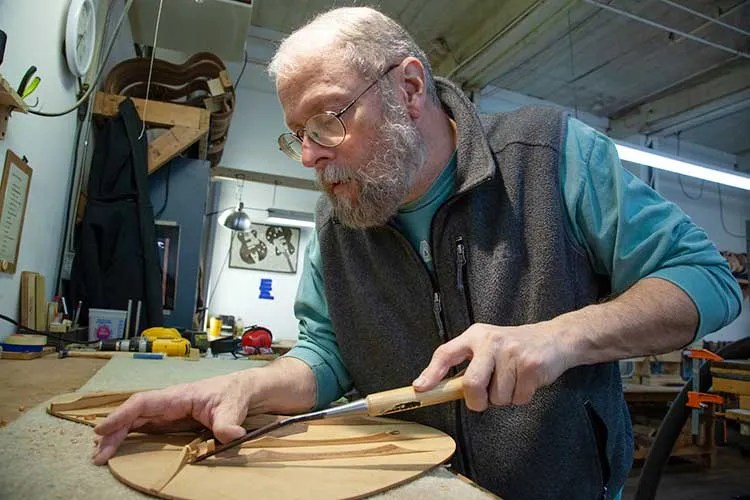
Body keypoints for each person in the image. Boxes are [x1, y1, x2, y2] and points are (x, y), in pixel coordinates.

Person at [92, 7, 742, 499]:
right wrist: (248, 383)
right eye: (297, 137)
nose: (312, 154)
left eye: (326, 120)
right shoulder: (335, 222)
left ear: (408, 88)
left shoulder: (548, 157)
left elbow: (704, 282)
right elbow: (325, 355)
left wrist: (559, 337)